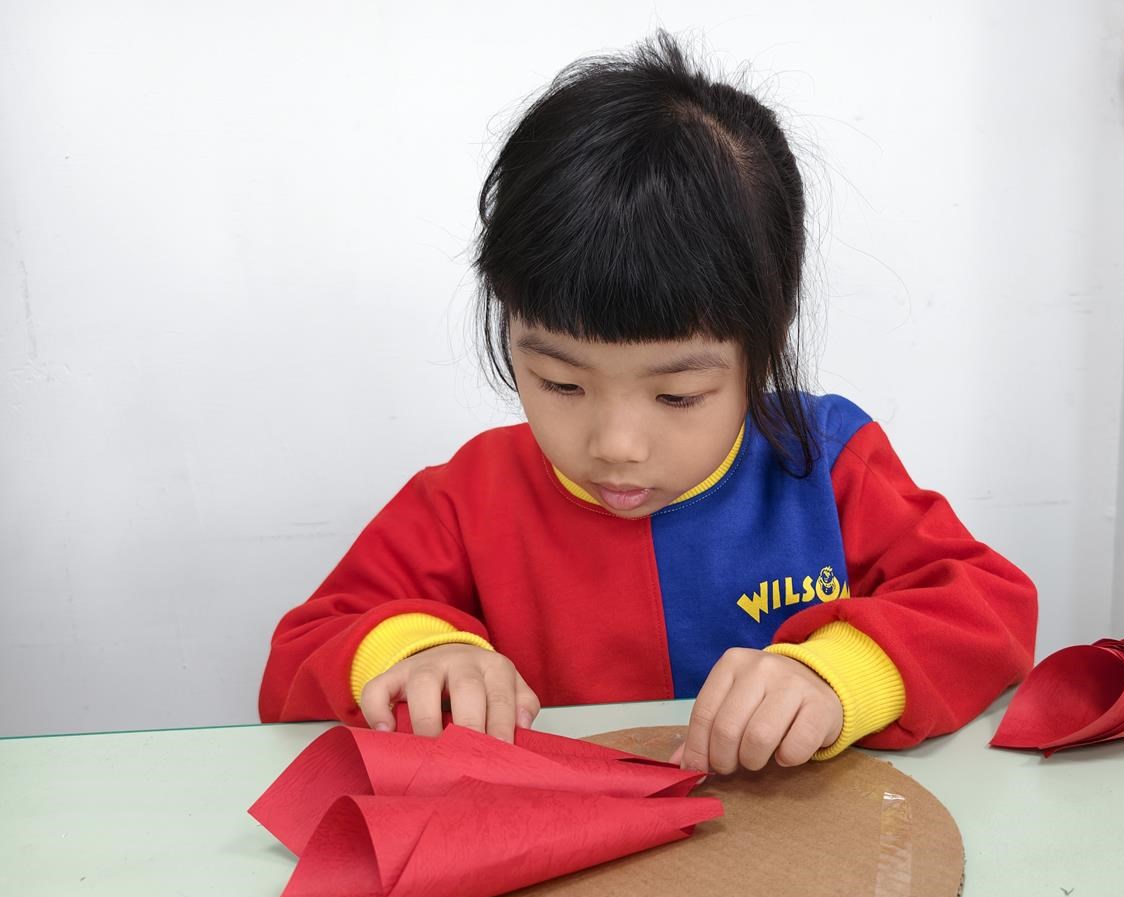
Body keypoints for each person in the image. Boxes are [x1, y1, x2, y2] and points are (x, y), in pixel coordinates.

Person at [258, 28, 1038, 775]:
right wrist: (419, 654)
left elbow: (991, 612)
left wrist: (842, 674)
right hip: (562, 850)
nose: (617, 444)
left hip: (796, 845)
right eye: (560, 383)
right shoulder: (467, 501)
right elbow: (301, 657)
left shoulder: (826, 464)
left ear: (762, 346)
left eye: (677, 394)